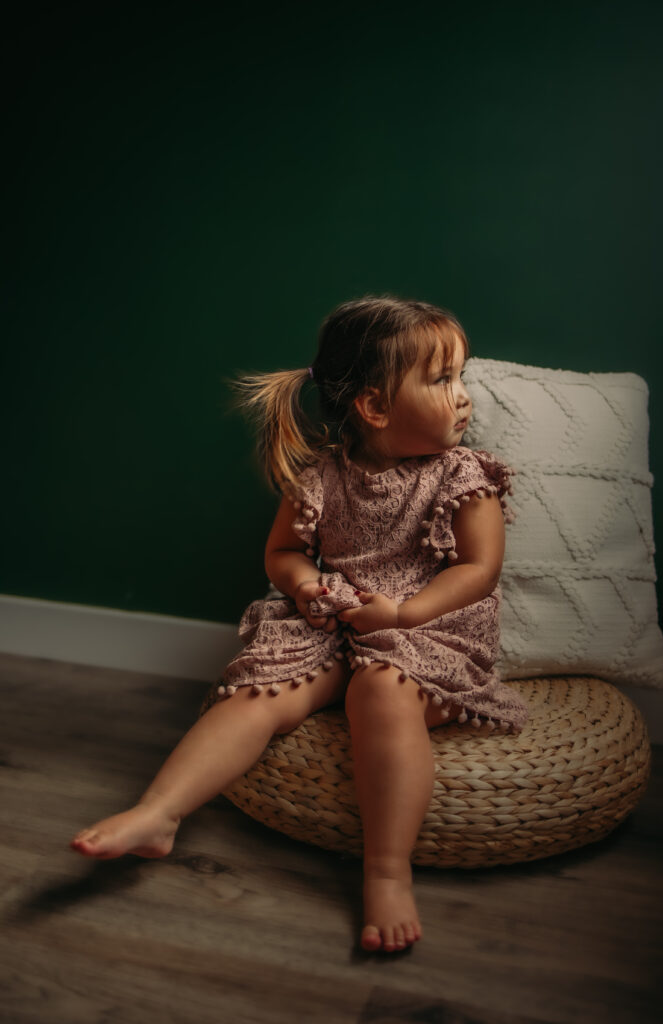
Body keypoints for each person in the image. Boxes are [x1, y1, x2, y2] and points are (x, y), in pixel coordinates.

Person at [71, 295, 528, 954]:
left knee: (380, 690)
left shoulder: (463, 476)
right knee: (258, 692)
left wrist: (401, 613)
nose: (462, 397)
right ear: (373, 406)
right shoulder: (322, 475)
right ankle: (158, 812)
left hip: (428, 625)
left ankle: (385, 870)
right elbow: (282, 552)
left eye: (460, 377)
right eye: (441, 379)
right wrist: (307, 587)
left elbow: (477, 571)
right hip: (331, 618)